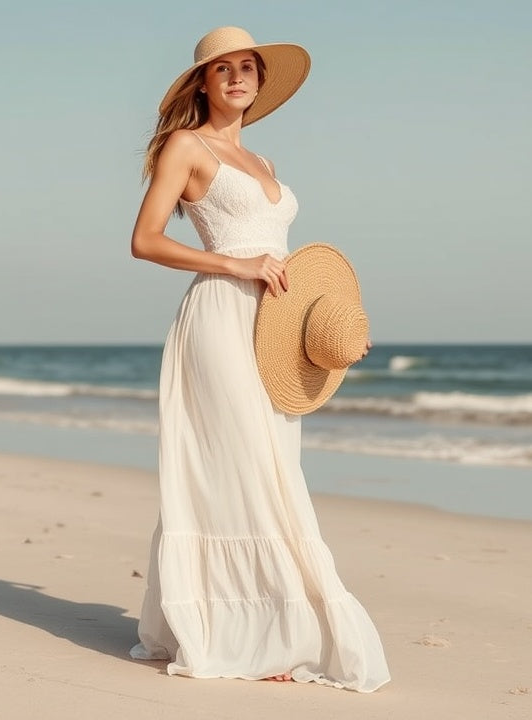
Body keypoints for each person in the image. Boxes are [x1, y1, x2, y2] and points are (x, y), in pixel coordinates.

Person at [127, 26, 390, 692]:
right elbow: (145, 240)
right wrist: (230, 262)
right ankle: (253, 632)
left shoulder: (266, 165)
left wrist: (330, 330)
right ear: (203, 84)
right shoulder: (186, 146)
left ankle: (256, 620)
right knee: (240, 463)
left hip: (271, 324)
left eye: (248, 68)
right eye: (224, 70)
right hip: (218, 314)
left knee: (273, 462)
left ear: (258, 83)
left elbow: (283, 262)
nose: (238, 78)